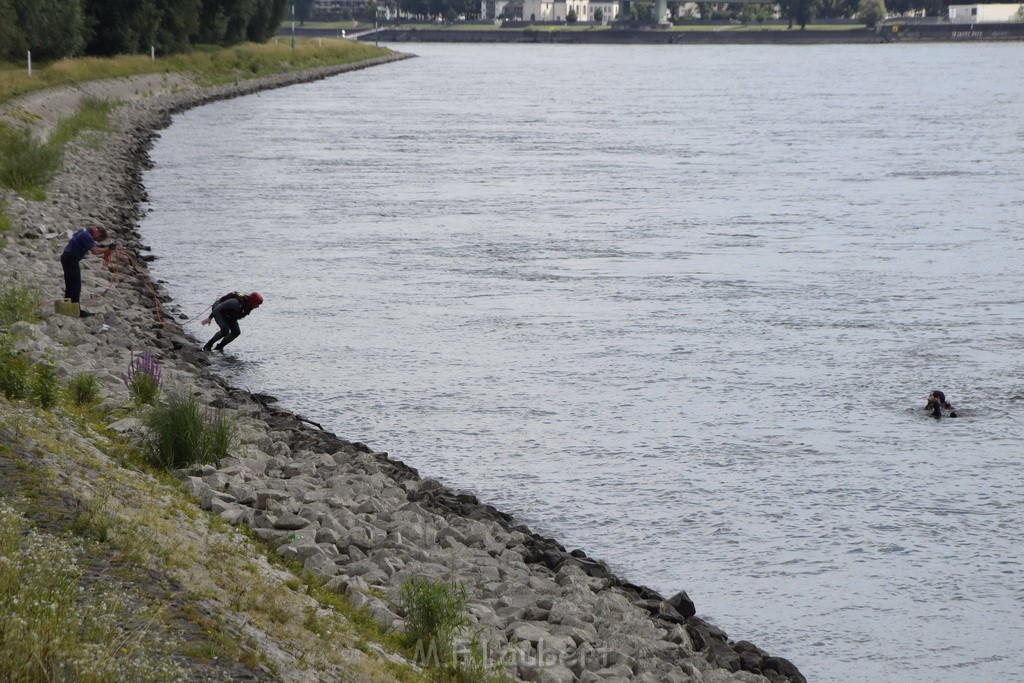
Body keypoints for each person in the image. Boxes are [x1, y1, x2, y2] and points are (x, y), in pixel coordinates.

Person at [60, 225, 115, 317]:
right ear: (98, 234)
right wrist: (108, 248)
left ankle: (68, 308)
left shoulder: (85, 231)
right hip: (70, 260)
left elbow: (93, 243)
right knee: (75, 286)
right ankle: (76, 311)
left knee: (70, 285)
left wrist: (104, 246)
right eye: (99, 239)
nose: (97, 241)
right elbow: (95, 251)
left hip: (67, 258)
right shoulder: (86, 236)